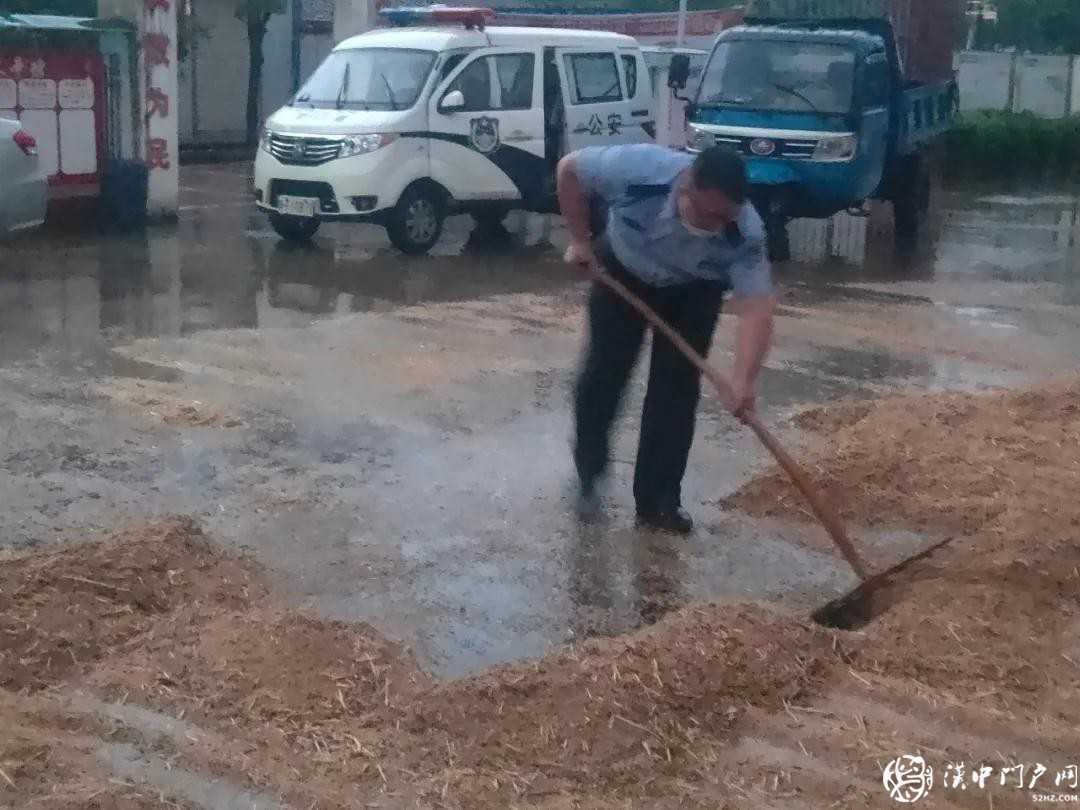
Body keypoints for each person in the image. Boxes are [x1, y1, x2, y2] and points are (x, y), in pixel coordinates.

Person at [557, 144, 775, 534]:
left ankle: (658, 502)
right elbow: (569, 170)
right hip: (623, 270)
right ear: (687, 184)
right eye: (708, 214)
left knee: (676, 391)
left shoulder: (745, 230)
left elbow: (756, 306)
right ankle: (588, 477)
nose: (716, 226)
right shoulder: (639, 170)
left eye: (725, 217)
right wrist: (580, 239)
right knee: (603, 377)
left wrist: (744, 380)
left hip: (694, 289)